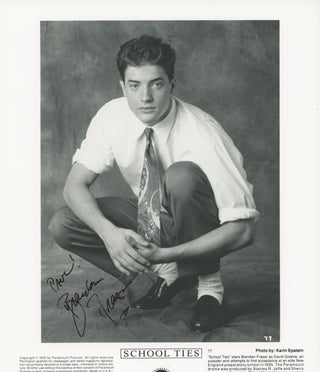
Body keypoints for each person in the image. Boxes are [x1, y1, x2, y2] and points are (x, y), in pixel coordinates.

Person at [49, 34, 259, 333]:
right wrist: (109, 234)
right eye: (134, 85)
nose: (145, 97)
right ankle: (169, 274)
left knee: (181, 176)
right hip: (152, 218)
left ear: (172, 84)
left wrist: (167, 253)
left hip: (200, 222)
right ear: (123, 87)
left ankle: (210, 289)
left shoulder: (203, 133)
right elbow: (74, 186)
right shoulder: (111, 115)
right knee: (65, 222)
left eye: (156, 84)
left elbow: (244, 231)